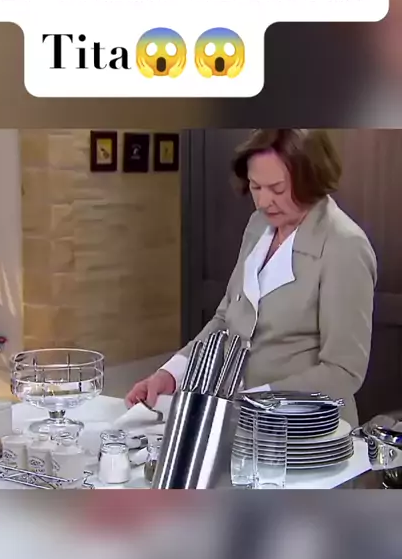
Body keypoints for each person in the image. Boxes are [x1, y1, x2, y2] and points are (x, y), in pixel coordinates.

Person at [126, 128, 377, 427]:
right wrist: (171, 373)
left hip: (307, 433)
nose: (263, 201)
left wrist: (254, 403)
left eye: (277, 189)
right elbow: (225, 320)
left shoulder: (344, 245)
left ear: (311, 178)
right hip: (246, 425)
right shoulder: (259, 226)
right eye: (256, 187)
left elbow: (343, 371)